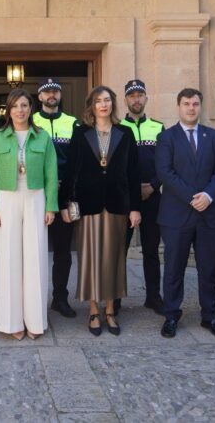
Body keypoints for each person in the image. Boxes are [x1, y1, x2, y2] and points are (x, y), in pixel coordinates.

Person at [59, 86, 141, 336]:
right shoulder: (81, 133)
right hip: (88, 206)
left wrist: (135, 208)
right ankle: (94, 310)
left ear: (113, 104)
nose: (103, 105)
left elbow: (133, 174)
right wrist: (64, 204)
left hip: (118, 206)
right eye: (98, 101)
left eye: (107, 100)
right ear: (91, 106)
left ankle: (110, 311)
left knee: (114, 259)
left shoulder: (126, 133)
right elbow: (70, 171)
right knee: (91, 259)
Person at [0, 88, 58, 340]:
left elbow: (52, 174)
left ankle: (35, 322)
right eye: (15, 106)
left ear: (31, 108)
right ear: (9, 109)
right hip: (6, 197)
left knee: (36, 258)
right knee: (8, 258)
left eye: (25, 105)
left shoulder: (42, 136)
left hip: (36, 197)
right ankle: (11, 321)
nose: (20, 110)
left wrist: (51, 207)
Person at [156, 88, 215, 339]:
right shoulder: (167, 137)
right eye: (186, 103)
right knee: (174, 268)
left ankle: (210, 315)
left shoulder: (213, 136)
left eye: (195, 103)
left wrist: (207, 196)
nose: (191, 108)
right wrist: (192, 197)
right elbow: (165, 172)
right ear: (178, 106)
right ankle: (171, 316)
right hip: (177, 214)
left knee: (208, 269)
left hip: (209, 214)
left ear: (200, 106)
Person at [115, 79, 165, 316]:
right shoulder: (117, 128)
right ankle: (114, 299)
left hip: (152, 197)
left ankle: (153, 297)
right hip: (125, 199)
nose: (136, 99)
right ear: (125, 99)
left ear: (146, 98)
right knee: (118, 251)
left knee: (152, 250)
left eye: (140, 95)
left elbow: (166, 164)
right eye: (131, 95)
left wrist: (153, 186)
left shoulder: (158, 128)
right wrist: (133, 189)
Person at [33, 78, 80, 318]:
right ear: (39, 97)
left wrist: (71, 193)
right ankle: (33, 300)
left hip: (65, 195)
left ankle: (60, 298)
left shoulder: (73, 123)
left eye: (55, 91)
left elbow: (78, 161)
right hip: (36, 194)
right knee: (34, 250)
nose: (52, 94)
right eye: (47, 91)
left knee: (63, 250)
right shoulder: (30, 121)